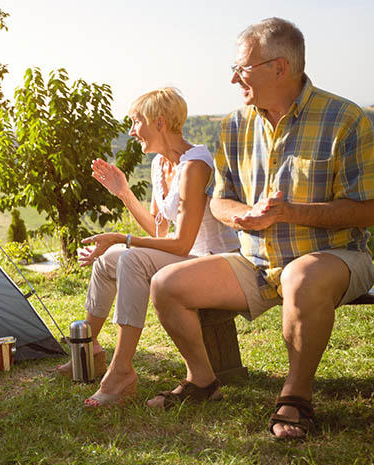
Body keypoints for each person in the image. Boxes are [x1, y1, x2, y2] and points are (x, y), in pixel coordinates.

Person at [147, 18, 374, 440]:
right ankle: (202, 380)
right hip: (254, 262)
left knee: (302, 276)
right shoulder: (233, 125)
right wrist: (240, 215)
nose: (233, 77)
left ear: (280, 67)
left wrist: (290, 212)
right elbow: (219, 200)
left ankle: (295, 396)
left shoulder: (345, 119)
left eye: (243, 67)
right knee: (166, 284)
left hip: (336, 257)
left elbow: (367, 211)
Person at [55, 88, 239, 408]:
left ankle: (121, 372)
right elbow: (157, 229)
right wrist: (124, 193)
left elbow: (181, 242)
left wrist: (119, 238)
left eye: (136, 121)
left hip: (212, 260)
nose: (131, 130)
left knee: (131, 258)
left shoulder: (195, 164)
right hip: (185, 256)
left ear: (160, 123)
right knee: (108, 261)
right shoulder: (159, 165)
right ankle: (91, 350)